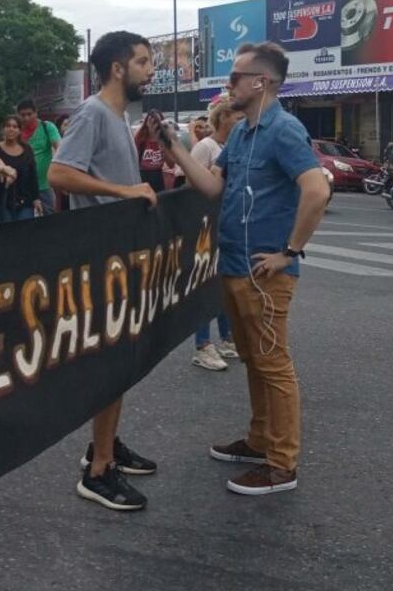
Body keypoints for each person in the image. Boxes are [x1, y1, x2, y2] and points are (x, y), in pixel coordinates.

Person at [155, 41, 330, 496]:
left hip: (265, 273)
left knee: (273, 364)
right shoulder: (244, 134)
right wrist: (173, 147)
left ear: (261, 82)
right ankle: (258, 442)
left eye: (234, 77)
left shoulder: (283, 130)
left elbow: (315, 190)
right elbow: (213, 187)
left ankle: (280, 464)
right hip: (234, 265)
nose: (227, 84)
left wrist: (289, 252)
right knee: (253, 360)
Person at [48, 30, 159, 512]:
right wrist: (125, 192)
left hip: (122, 257)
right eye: (142, 62)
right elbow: (59, 172)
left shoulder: (119, 115)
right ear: (118, 68)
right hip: (99, 261)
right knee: (111, 363)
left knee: (123, 363)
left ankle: (106, 447)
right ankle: (97, 473)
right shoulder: (93, 112)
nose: (150, 70)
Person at [189, 97, 241, 371]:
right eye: (236, 117)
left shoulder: (230, 146)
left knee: (222, 284)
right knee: (205, 284)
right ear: (223, 118)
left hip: (226, 222)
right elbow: (190, 184)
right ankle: (202, 345)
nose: (240, 120)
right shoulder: (206, 147)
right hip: (206, 225)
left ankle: (227, 338)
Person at [0, 116, 42, 223]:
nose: (11, 129)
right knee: (7, 236)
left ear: (19, 130)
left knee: (24, 234)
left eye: (15, 126)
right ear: (3, 129)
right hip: (1, 201)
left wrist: (36, 199)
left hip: (25, 202)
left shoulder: (27, 149)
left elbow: (33, 176)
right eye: (8, 126)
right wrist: (1, 176)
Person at [18, 99, 61, 215]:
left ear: (36, 113)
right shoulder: (16, 132)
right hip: (22, 187)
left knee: (49, 221)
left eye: (29, 114)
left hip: (44, 185)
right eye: (23, 115)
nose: (26, 118)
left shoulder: (47, 127)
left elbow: (60, 149)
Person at [134, 121, 169, 192]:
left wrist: (164, 148)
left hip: (158, 175)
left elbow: (171, 164)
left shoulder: (163, 140)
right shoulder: (141, 139)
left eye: (157, 124)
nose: (155, 126)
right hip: (143, 175)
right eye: (152, 122)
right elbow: (134, 160)